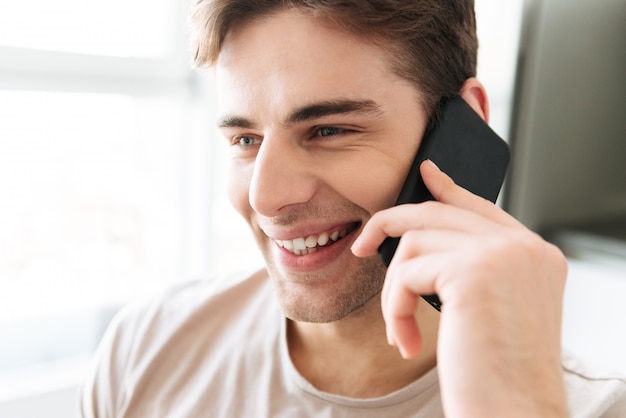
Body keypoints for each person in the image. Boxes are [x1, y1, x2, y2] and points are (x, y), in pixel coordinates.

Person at [79, 1, 626, 416]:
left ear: (468, 129)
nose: (267, 198)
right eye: (245, 139)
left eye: (329, 130)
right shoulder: (144, 351)